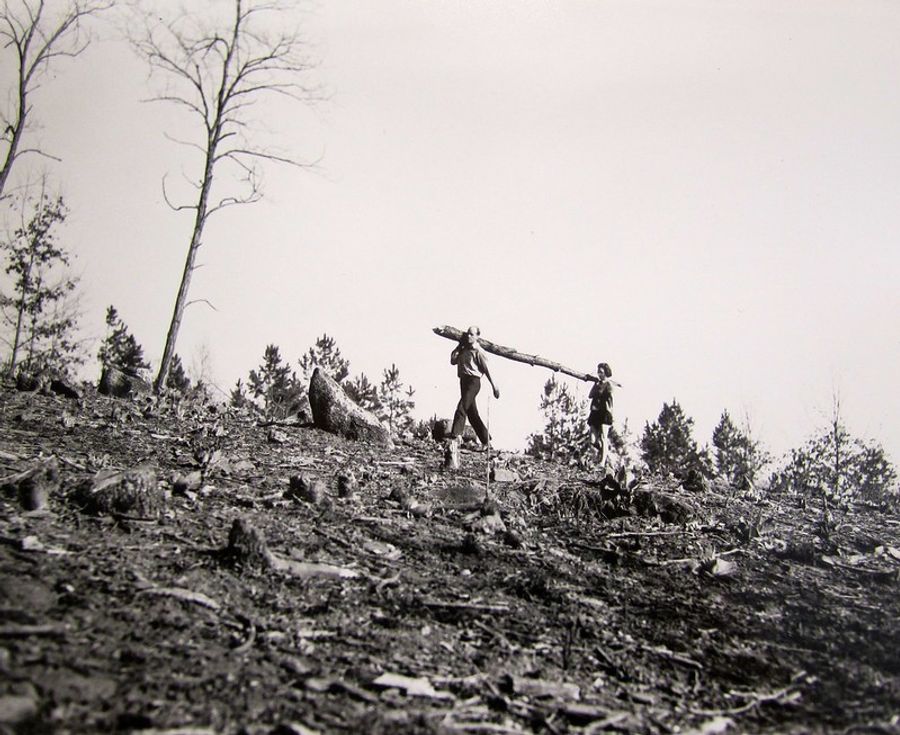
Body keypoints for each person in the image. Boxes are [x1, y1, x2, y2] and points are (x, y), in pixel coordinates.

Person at [449, 326, 500, 447]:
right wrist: (458, 347)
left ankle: (455, 436)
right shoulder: (463, 349)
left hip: (474, 382)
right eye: (468, 334)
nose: (469, 336)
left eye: (472, 334)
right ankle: (487, 441)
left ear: (477, 336)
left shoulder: (479, 351)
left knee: (462, 407)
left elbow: (488, 370)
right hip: (463, 381)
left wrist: (495, 386)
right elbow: (452, 361)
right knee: (472, 415)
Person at [587, 362, 614, 468]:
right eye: (598, 372)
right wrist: (596, 385)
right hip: (594, 412)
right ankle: (604, 455)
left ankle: (602, 462)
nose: (599, 374)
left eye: (601, 372)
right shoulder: (597, 384)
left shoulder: (609, 384)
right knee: (593, 440)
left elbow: (610, 399)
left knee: (603, 437)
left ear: (606, 373)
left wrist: (610, 412)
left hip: (604, 413)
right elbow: (590, 395)